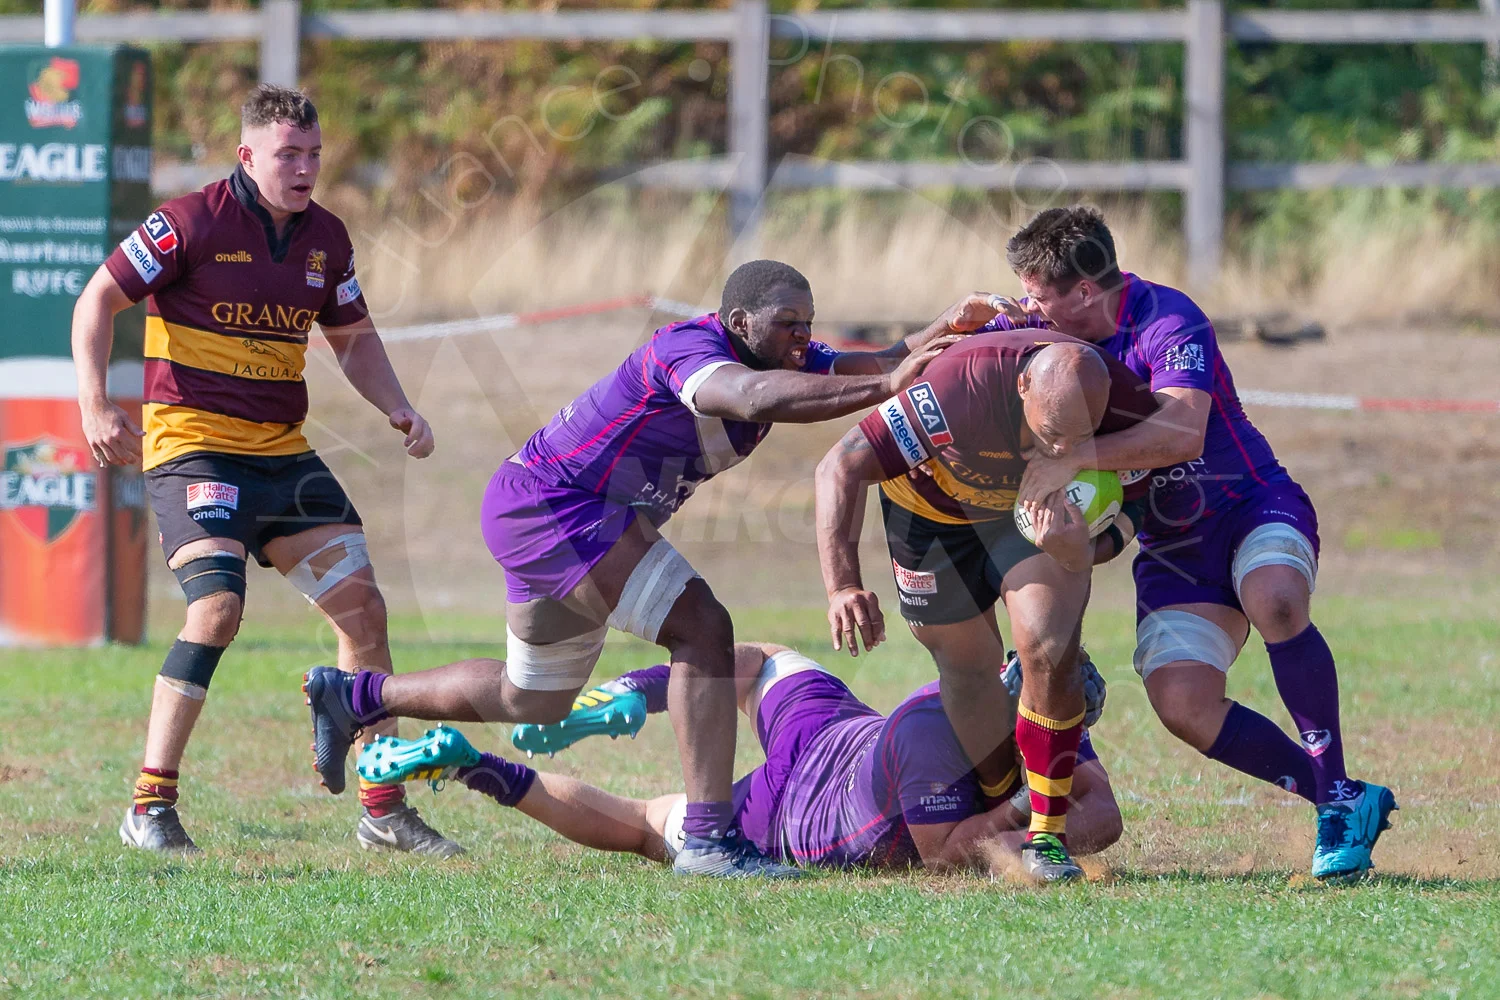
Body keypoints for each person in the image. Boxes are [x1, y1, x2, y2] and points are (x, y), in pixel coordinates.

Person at [304, 261, 979, 878]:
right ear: (740, 322)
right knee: (702, 628)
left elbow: (876, 363)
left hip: (550, 509)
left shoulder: (777, 353)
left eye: (808, 322)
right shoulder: (690, 350)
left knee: (532, 698)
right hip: (555, 507)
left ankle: (356, 696)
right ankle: (709, 843)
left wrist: (942, 329)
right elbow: (751, 397)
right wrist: (885, 386)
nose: (803, 336)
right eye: (788, 323)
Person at [72, 85, 459, 856]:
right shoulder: (188, 222)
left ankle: (383, 808)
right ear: (247, 156)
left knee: (364, 611)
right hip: (194, 447)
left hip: (281, 454)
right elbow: (97, 300)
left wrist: (398, 406)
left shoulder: (328, 239)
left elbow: (353, 338)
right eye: (289, 155)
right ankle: (149, 805)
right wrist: (94, 404)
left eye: (314, 154)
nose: (305, 168)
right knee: (217, 609)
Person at [1002, 205, 1396, 881]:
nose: (1029, 311)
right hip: (1173, 547)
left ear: (1085, 291)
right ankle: (1342, 796)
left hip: (1250, 504)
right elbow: (966, 357)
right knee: (1182, 704)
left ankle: (1335, 800)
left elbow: (1182, 434)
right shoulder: (1048, 339)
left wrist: (1072, 460)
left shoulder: (1169, 319)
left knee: (1276, 600)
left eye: (1039, 298)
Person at [813, 325, 1157, 882]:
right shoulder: (960, 387)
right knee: (967, 667)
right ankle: (999, 797)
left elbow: (1136, 501)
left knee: (1049, 646)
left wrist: (1089, 550)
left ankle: (1045, 836)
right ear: (1022, 387)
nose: (1059, 451)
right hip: (926, 512)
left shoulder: (1123, 401)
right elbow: (841, 465)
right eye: (1050, 433)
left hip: (1029, 516)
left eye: (1079, 439)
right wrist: (843, 586)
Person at [355, 643, 1123, 874]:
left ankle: (626, 694)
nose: (1062, 744)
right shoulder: (936, 736)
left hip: (839, 729)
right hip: (800, 805)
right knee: (646, 825)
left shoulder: (1036, 703)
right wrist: (1035, 814)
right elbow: (948, 854)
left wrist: (1046, 818)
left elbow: (1107, 814)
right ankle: (468, 761)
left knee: (758, 660)